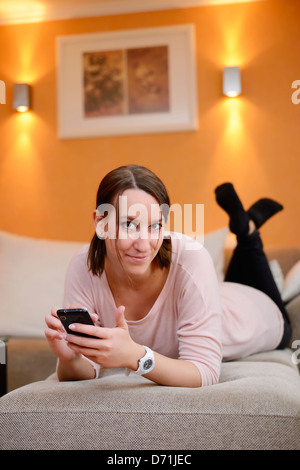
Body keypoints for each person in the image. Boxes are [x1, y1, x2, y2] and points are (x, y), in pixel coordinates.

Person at [45, 165, 292, 388]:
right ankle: (246, 226)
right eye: (129, 224)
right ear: (100, 223)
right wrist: (70, 358)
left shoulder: (191, 258)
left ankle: (247, 232)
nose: (144, 245)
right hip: (219, 295)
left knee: (271, 299)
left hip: (259, 314)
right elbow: (83, 369)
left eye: (155, 226)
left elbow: (204, 372)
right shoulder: (84, 265)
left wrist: (134, 355)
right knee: (227, 279)